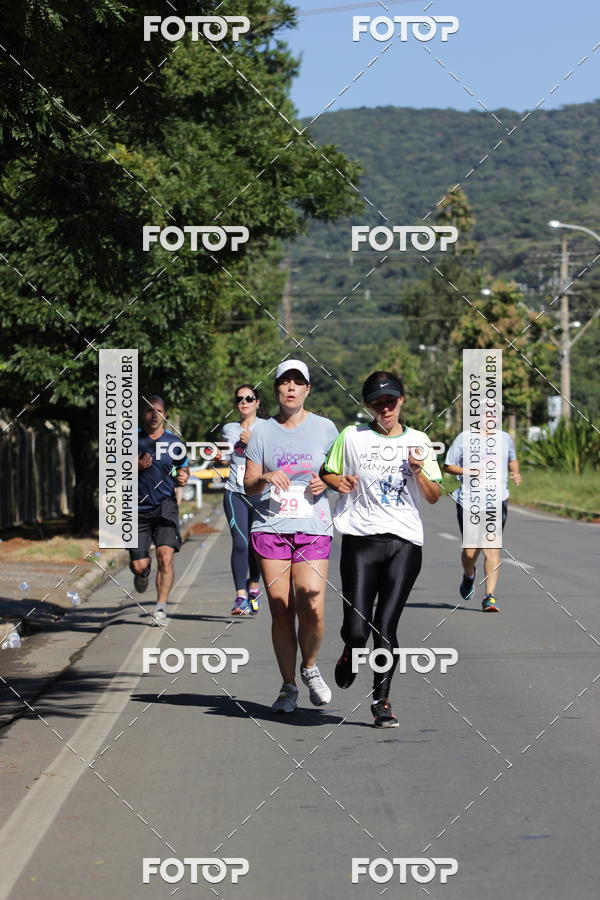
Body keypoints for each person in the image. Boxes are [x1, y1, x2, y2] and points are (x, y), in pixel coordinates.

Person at [320, 371, 442, 728]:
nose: (385, 409)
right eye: (377, 403)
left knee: (386, 625)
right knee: (358, 630)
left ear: (401, 401)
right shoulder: (352, 437)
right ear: (368, 406)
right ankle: (351, 650)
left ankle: (381, 700)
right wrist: (338, 481)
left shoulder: (419, 441)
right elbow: (328, 472)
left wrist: (418, 471)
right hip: (360, 540)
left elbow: (434, 497)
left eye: (391, 401)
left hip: (404, 542)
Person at [244, 360, 338, 713]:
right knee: (281, 609)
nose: (291, 388)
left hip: (313, 527)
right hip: (271, 527)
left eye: (298, 383)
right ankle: (288, 686)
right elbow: (248, 486)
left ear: (307, 390)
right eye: (285, 382)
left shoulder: (326, 429)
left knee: (311, 605)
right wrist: (267, 477)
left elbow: (338, 476)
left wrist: (323, 481)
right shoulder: (263, 432)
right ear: (277, 389)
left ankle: (310, 667)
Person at [443, 427, 522, 612]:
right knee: (470, 553)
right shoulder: (464, 437)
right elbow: (448, 466)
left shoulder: (504, 438)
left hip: (496, 499)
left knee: (491, 548)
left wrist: (516, 473)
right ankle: (469, 575)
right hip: (469, 501)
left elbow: (513, 459)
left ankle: (489, 597)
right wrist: (468, 471)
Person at [130, 395, 189, 626]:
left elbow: (182, 470)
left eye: (159, 410)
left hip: (166, 505)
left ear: (165, 414)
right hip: (136, 509)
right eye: (149, 410)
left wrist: (184, 477)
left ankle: (160, 608)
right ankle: (142, 573)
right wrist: (134, 466)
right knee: (139, 565)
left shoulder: (175, 443)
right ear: (142, 413)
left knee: (165, 557)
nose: (154, 415)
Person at [222, 384, 268, 616]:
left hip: (260, 494)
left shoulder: (269, 427)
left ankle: (253, 585)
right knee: (241, 543)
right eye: (240, 399)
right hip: (235, 492)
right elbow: (224, 458)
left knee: (257, 546)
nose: (244, 402)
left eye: (249, 398)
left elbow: (276, 458)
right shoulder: (229, 429)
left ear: (257, 403)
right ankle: (240, 596)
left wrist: (254, 443)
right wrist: (219, 458)